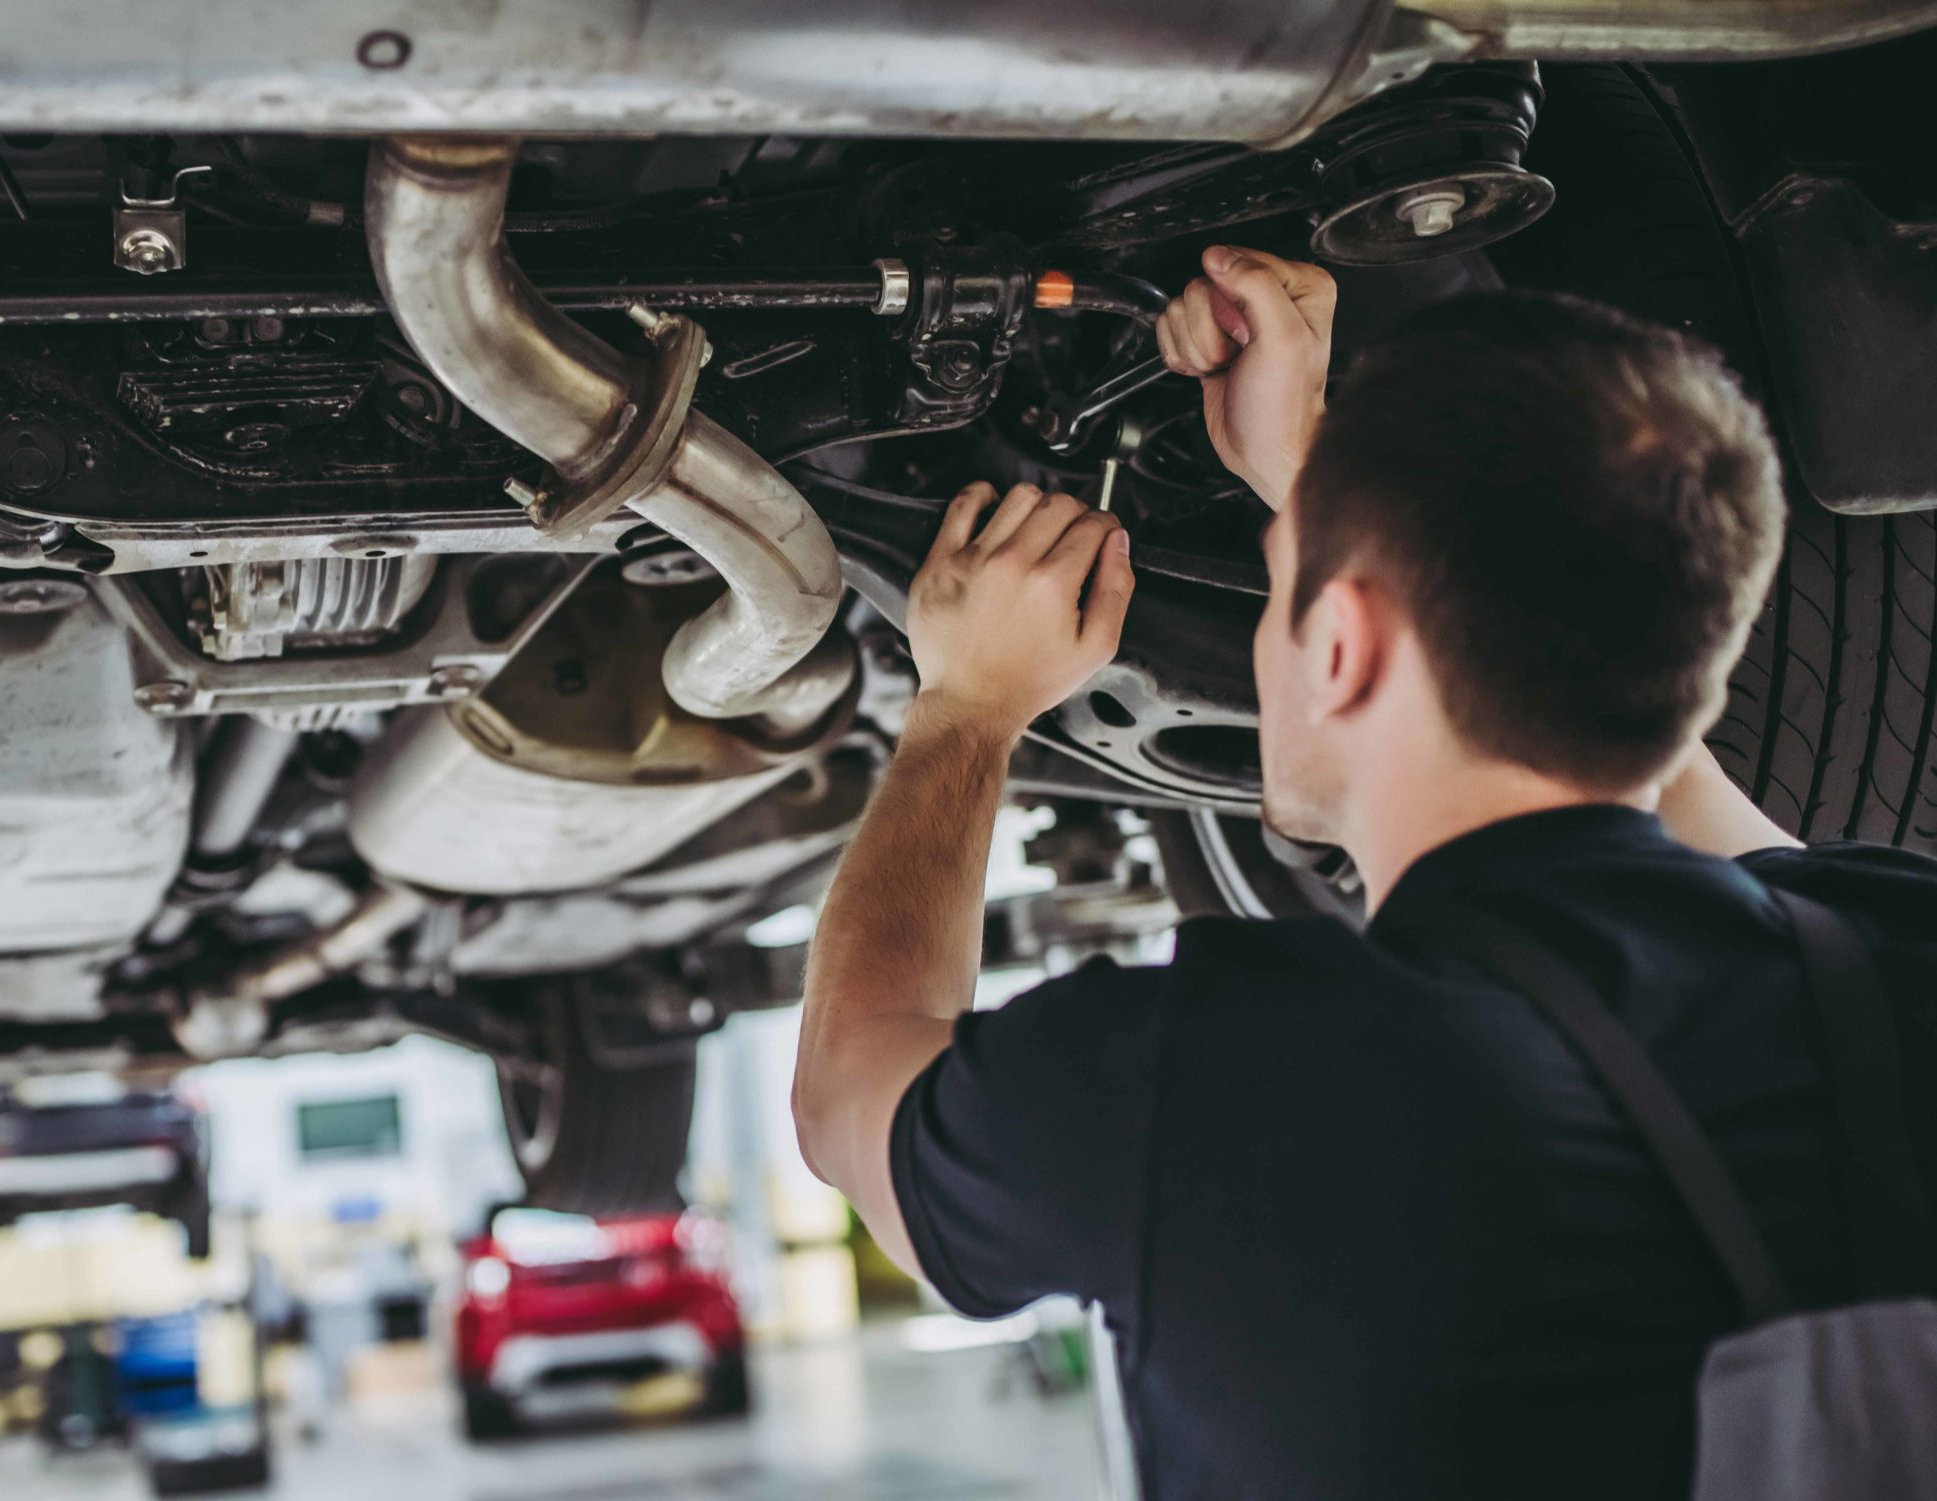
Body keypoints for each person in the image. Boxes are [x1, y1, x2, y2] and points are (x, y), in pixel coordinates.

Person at [791, 245, 1937, 1498]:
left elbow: (849, 1094)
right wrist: (1324, 485)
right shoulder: (1888, 958)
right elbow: (1679, 775)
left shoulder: (1208, 1084)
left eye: (1281, 595)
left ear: (1339, 642)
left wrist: (966, 705)